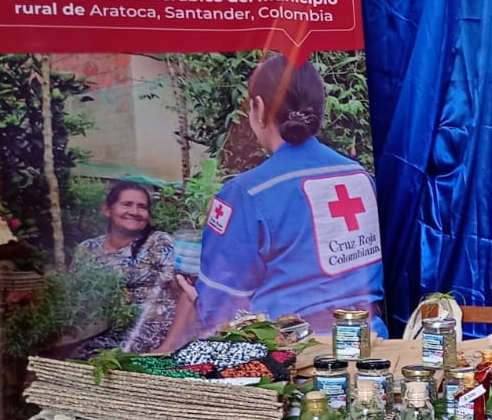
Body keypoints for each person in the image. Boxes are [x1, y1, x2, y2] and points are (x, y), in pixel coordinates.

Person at [195, 53, 384, 336]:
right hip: (371, 343)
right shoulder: (360, 177)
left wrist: (197, 299)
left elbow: (221, 304)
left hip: (295, 360)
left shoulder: (245, 193)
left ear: (258, 108)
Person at [71, 180, 194, 354]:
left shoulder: (158, 243)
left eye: (142, 207)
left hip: (149, 337)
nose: (135, 212)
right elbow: (75, 299)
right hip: (100, 333)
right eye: (127, 204)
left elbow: (186, 294)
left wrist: (167, 347)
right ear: (107, 209)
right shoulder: (86, 249)